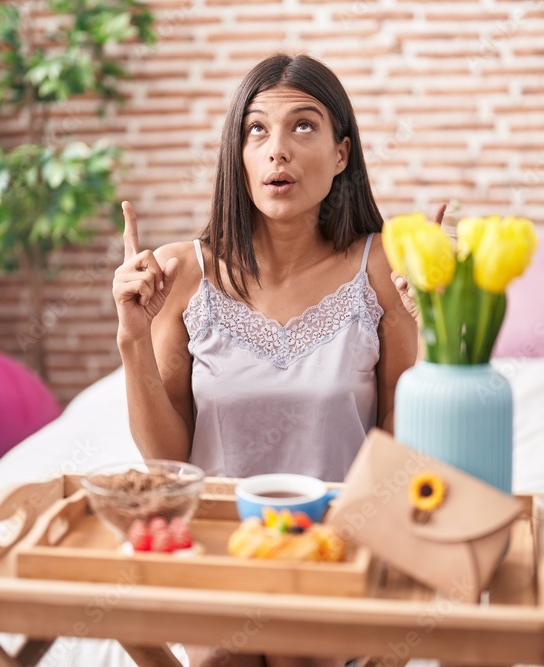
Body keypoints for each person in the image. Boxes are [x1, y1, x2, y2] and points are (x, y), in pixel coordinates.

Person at [112, 53, 417, 667]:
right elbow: (168, 460)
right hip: (218, 551)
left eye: (304, 126)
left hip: (335, 551)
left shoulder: (386, 266)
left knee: (302, 654)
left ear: (341, 154)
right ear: (239, 156)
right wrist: (132, 338)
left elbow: (398, 439)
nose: (278, 148)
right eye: (257, 130)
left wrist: (442, 322)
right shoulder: (181, 273)